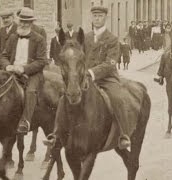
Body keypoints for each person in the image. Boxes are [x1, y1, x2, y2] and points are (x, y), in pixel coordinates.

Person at [46, 6, 131, 149]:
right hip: (85, 77)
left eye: (100, 16)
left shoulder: (112, 39)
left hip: (107, 78)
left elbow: (110, 63)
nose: (97, 19)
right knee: (64, 96)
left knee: (117, 97)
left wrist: (91, 72)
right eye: (95, 16)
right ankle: (56, 133)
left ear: (105, 18)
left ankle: (123, 134)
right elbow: (78, 58)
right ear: (92, 18)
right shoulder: (85, 37)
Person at [0, 7, 47, 134]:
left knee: (30, 91)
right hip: (12, 71)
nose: (23, 24)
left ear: (31, 23)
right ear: (18, 21)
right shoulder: (13, 37)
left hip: (32, 73)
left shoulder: (39, 39)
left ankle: (25, 121)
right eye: (22, 21)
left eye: (27, 22)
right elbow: (4, 56)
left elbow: (42, 61)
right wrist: (7, 66)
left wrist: (24, 69)